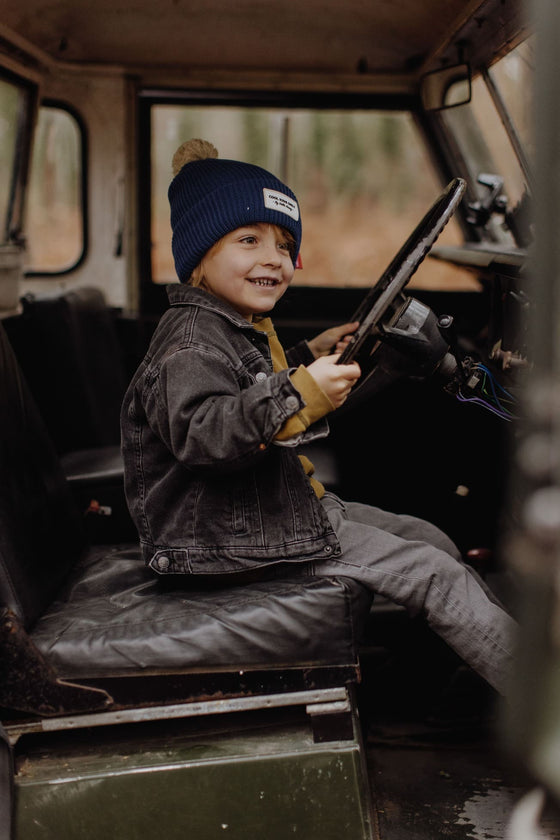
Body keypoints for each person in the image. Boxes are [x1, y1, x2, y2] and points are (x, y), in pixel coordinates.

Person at [121, 138, 517, 695]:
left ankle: (431, 677)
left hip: (268, 511)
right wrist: (303, 390)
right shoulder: (190, 343)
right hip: (223, 538)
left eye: (285, 246)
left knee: (432, 539)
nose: (272, 259)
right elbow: (205, 435)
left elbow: (252, 388)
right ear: (199, 255)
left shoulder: (233, 324)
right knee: (434, 573)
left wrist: (312, 354)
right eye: (248, 240)